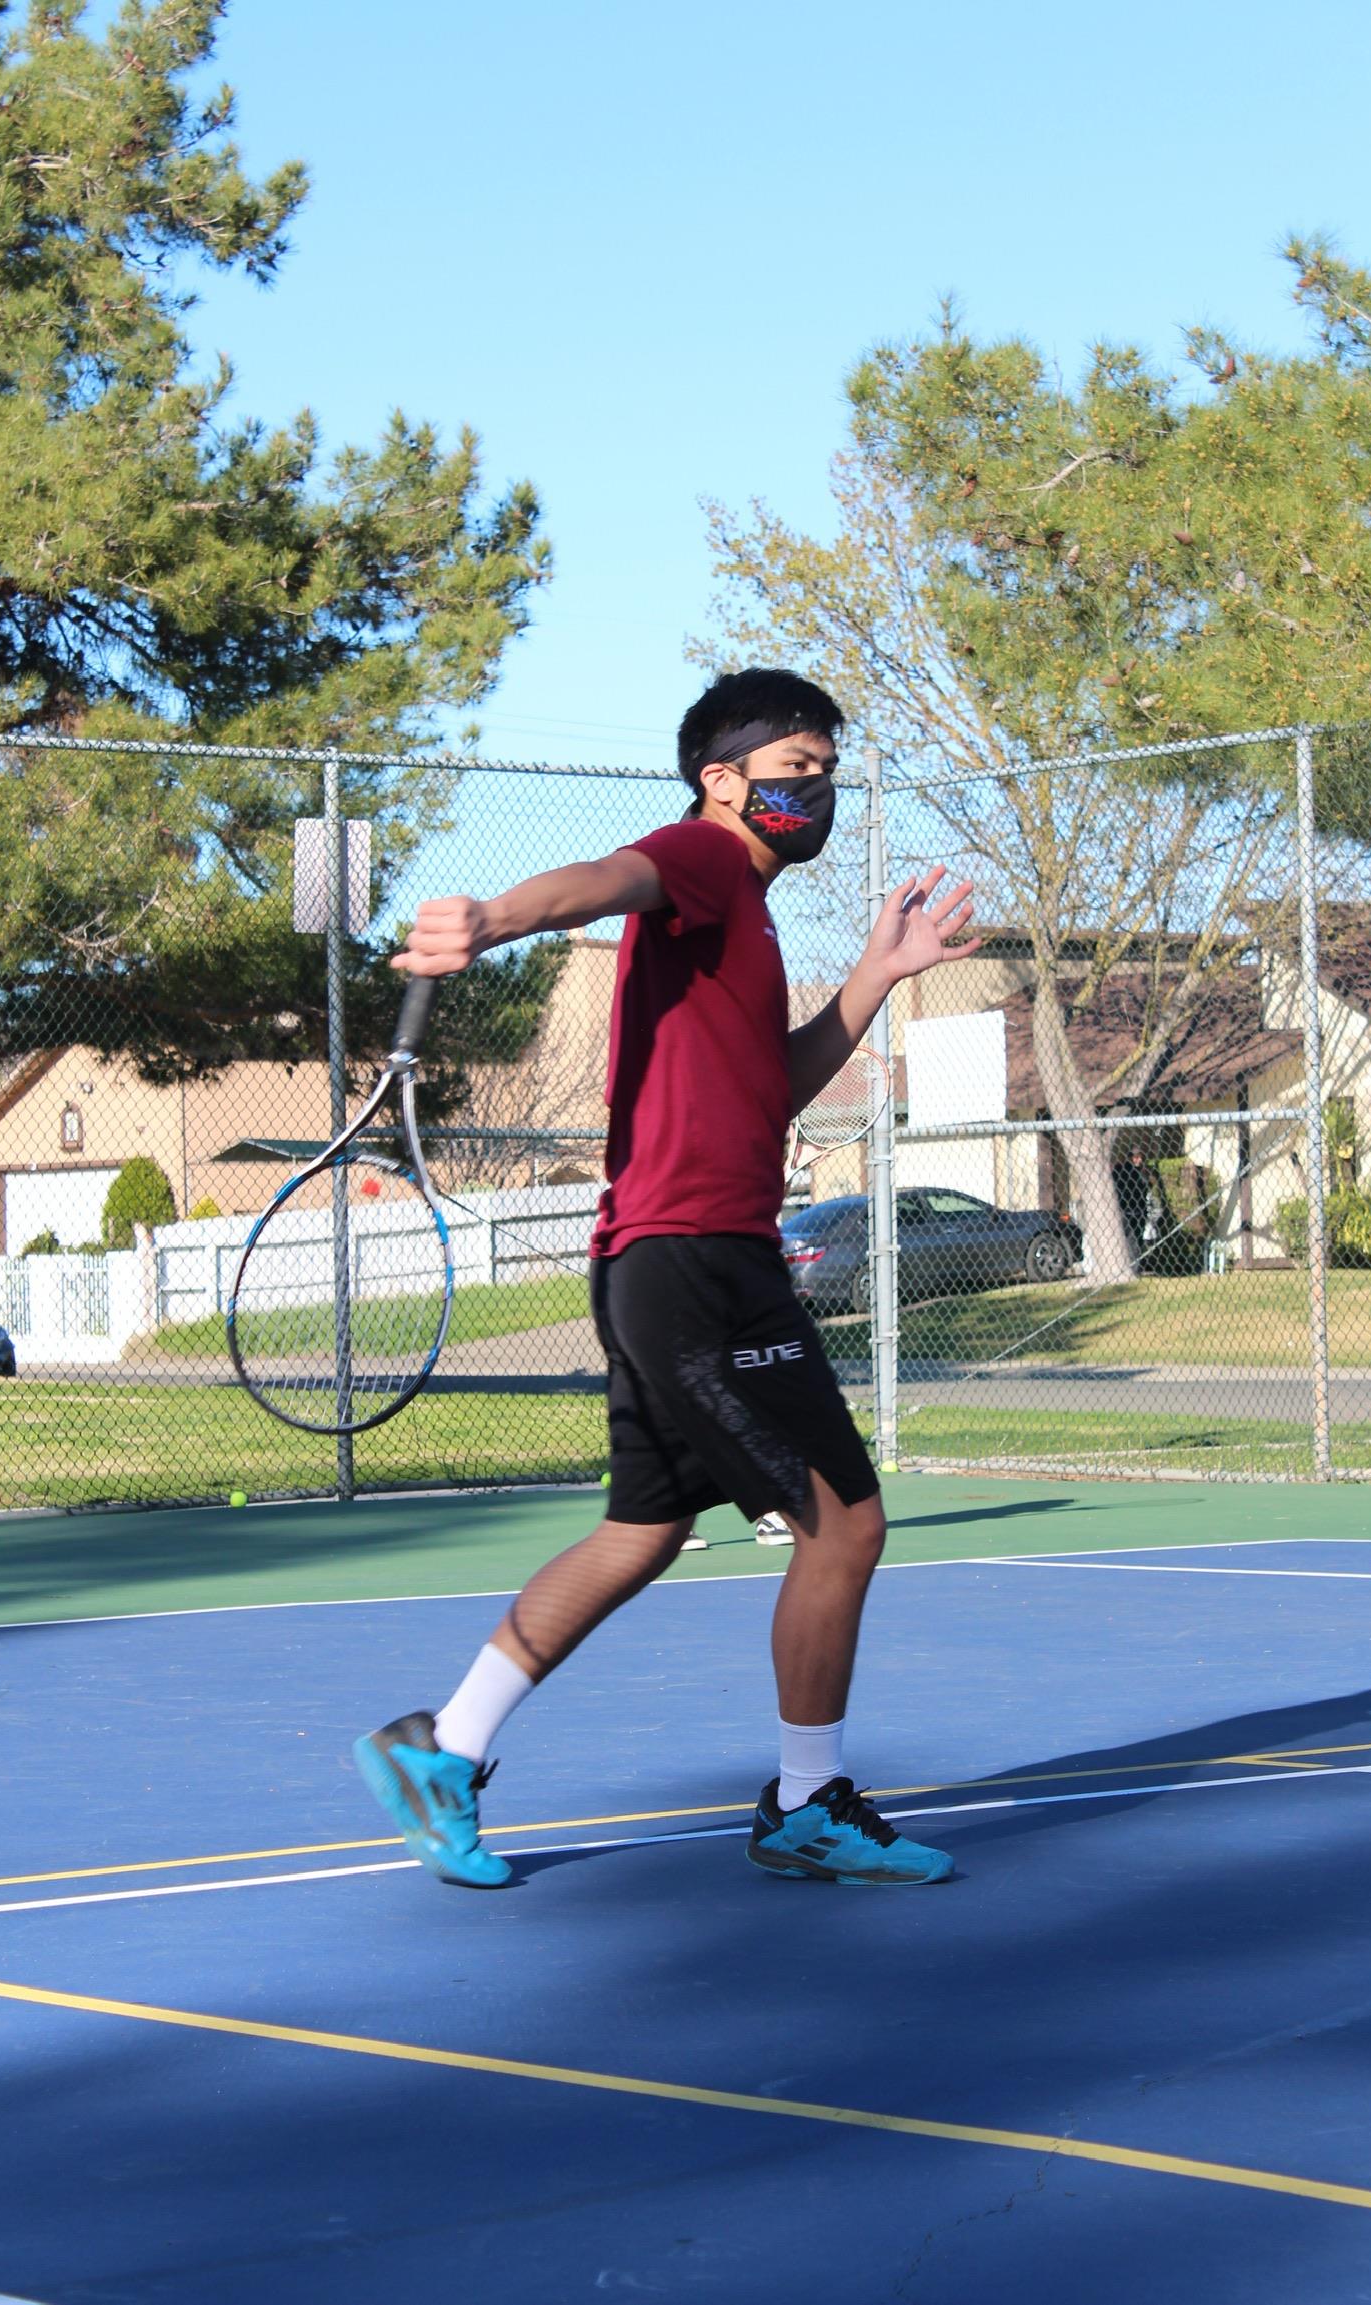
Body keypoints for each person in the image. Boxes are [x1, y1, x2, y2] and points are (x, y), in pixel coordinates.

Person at [353, 668, 980, 1888]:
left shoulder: (750, 918)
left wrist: (873, 977)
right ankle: (807, 1804)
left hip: (666, 1258)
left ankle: (446, 1746)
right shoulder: (699, 859)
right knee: (844, 1527)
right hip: (697, 1264)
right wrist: (496, 917)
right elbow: (604, 879)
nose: (820, 793)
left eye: (829, 775)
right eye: (799, 771)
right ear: (722, 777)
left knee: (641, 1531)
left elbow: (771, 1086)